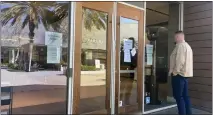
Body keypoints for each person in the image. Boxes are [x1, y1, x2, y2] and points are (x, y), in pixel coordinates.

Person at [169, 31, 193, 115]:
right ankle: (188, 113)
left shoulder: (180, 46)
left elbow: (180, 61)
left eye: (175, 37)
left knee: (179, 97)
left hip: (179, 75)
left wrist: (175, 72)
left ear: (179, 37)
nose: (174, 39)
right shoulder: (187, 46)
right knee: (185, 96)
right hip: (185, 75)